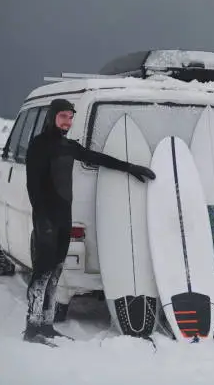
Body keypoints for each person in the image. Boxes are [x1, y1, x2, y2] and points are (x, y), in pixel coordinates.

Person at [24, 99, 156, 345]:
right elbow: (33, 187)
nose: (67, 121)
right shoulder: (39, 145)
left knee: (56, 273)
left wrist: (130, 167)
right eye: (63, 116)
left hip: (63, 218)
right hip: (46, 220)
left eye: (70, 117)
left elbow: (97, 157)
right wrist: (42, 219)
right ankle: (32, 328)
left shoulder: (68, 146)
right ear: (52, 116)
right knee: (42, 273)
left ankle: (47, 324)